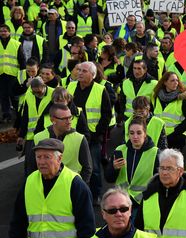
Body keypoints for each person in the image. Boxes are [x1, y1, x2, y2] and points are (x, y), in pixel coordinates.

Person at [7, 138, 95, 238]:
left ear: (59, 158)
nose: (41, 162)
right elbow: (18, 223)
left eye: (47, 157)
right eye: (38, 157)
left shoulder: (75, 184)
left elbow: (87, 229)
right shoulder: (29, 182)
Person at [134, 148, 186, 238]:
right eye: (162, 168)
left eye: (169, 168)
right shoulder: (148, 195)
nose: (164, 172)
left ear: (180, 171)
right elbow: (138, 230)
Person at [67, 61, 112, 204]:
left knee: (93, 168)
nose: (79, 73)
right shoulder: (71, 86)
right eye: (79, 70)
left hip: (92, 136)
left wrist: (98, 133)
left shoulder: (100, 89)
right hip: (73, 134)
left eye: (84, 71)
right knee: (72, 165)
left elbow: (106, 115)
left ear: (92, 75)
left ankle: (94, 195)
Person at [30, 103, 92, 183]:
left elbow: (87, 168)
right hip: (44, 185)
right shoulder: (38, 138)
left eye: (70, 117)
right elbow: (31, 167)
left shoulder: (80, 138)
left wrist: (80, 187)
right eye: (65, 119)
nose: (69, 121)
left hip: (71, 186)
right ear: (53, 120)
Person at [105, 116, 159, 206]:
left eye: (139, 133)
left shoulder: (156, 153)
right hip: (122, 202)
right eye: (131, 133)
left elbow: (159, 184)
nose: (135, 137)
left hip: (142, 204)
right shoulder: (120, 150)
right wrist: (113, 168)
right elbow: (108, 178)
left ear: (145, 134)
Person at [87, 187, 157, 238]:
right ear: (103, 214)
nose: (118, 214)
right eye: (112, 210)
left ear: (130, 211)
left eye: (123, 209)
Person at [18, 77, 54, 175]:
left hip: (47, 134)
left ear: (44, 86)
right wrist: (21, 135)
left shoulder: (53, 94)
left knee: (46, 162)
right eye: (34, 92)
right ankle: (29, 183)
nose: (37, 94)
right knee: (30, 163)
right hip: (31, 135)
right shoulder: (29, 94)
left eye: (39, 92)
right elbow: (25, 116)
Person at [152, 71, 186, 150]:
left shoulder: (183, 98)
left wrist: (175, 132)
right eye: (172, 80)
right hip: (158, 135)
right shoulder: (157, 97)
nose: (176, 83)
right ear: (165, 82)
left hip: (176, 138)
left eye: (177, 80)